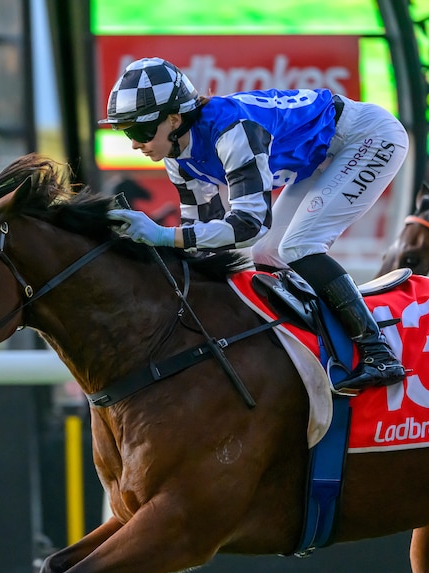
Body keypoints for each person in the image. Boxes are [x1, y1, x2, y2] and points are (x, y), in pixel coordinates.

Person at [102, 57, 409, 391]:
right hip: (322, 154)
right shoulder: (178, 157)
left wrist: (161, 234)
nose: (134, 143)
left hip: (367, 136)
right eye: (126, 132)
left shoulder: (233, 131)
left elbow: (249, 225)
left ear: (175, 120)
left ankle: (379, 353)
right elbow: (203, 239)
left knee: (298, 247)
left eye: (140, 131)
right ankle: (311, 346)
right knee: (267, 254)